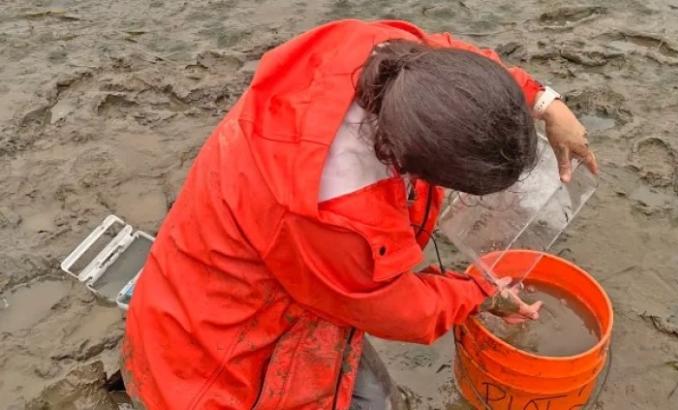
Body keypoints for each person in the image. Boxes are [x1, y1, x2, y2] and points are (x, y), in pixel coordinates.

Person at [121, 19, 598, 410]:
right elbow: (395, 306)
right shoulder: (336, 216)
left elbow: (453, 67)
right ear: (412, 163)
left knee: (373, 396)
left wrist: (544, 103)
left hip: (250, 249)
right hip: (220, 355)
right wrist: (477, 294)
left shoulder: (384, 58)